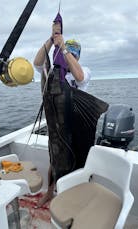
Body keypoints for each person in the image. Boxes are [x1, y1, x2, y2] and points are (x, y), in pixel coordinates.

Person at [33, 23, 91, 207]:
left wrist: (64, 48)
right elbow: (37, 63)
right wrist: (52, 40)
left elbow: (80, 77)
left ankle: (75, 196)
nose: (70, 56)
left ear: (78, 56)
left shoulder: (84, 71)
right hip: (56, 122)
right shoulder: (52, 72)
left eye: (75, 54)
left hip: (76, 124)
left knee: (78, 160)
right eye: (68, 53)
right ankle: (50, 192)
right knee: (54, 157)